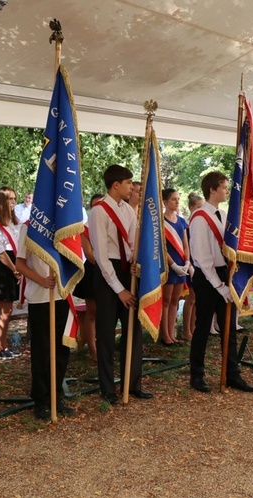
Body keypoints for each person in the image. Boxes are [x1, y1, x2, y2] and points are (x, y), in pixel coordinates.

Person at [188, 171, 253, 393]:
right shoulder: (199, 217)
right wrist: (219, 286)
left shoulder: (224, 214)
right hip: (207, 277)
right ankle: (197, 375)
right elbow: (202, 256)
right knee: (203, 327)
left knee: (229, 326)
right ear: (212, 189)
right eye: (225, 187)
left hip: (224, 273)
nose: (228, 191)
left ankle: (232, 373)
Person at [89, 165, 152, 404]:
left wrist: (137, 264)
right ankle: (107, 388)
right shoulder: (98, 211)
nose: (132, 188)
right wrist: (120, 290)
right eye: (128, 183)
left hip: (127, 272)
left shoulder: (127, 209)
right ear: (116, 185)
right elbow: (102, 257)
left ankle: (132, 383)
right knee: (106, 335)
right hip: (108, 277)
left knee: (132, 331)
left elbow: (133, 243)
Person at [15, 225, 75, 421]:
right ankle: (41, 400)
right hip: (40, 297)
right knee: (42, 351)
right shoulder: (28, 228)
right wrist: (41, 280)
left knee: (61, 349)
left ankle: (56, 396)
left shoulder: (64, 224)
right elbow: (20, 264)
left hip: (62, 294)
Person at [0, 188, 22, 360]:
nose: (13, 202)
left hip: (14, 262)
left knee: (9, 309)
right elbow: (0, 252)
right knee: (4, 310)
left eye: (14, 198)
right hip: (3, 266)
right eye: (9, 199)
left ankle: (4, 345)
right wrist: (15, 269)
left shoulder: (15, 221)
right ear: (1, 201)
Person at [72, 194, 103, 362]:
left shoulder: (109, 225)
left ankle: (104, 346)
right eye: (95, 205)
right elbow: (89, 255)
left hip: (109, 272)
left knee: (105, 312)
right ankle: (92, 349)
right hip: (94, 272)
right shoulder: (85, 228)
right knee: (92, 312)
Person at [161, 188, 192, 346]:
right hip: (169, 266)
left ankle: (172, 334)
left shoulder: (181, 221)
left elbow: (186, 244)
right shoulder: (160, 222)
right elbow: (161, 247)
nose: (177, 201)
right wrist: (172, 264)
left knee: (175, 300)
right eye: (173, 199)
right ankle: (165, 334)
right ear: (165, 202)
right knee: (165, 301)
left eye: (178, 198)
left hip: (181, 265)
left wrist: (187, 262)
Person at [181, 192, 203, 342]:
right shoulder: (187, 226)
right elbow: (186, 246)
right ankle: (186, 330)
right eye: (198, 207)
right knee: (191, 298)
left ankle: (194, 328)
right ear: (191, 208)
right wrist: (189, 264)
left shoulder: (201, 225)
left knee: (197, 298)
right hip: (190, 264)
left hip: (200, 263)